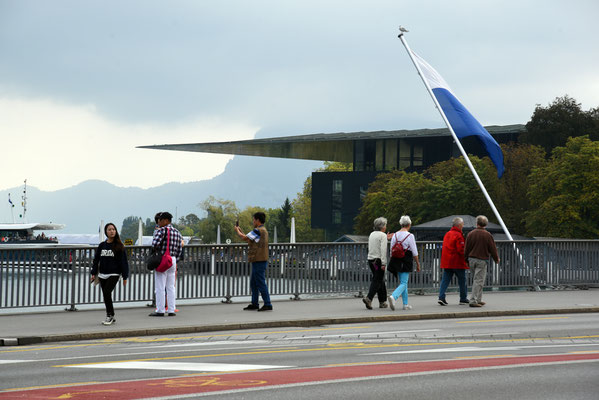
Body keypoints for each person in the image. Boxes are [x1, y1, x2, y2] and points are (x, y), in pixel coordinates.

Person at [90, 223, 129, 325]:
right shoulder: (102, 245)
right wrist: (93, 273)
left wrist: (125, 276)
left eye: (113, 229)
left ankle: (110, 315)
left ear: (116, 231)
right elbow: (96, 260)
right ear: (106, 232)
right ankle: (111, 315)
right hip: (102, 274)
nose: (112, 231)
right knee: (106, 295)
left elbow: (124, 262)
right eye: (109, 229)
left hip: (114, 274)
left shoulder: (119, 246)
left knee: (107, 292)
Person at [234, 211, 273, 311]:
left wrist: (237, 231)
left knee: (260, 282)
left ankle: (267, 304)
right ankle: (254, 303)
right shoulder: (263, 230)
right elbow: (249, 239)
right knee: (254, 283)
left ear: (258, 220)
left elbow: (244, 238)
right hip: (260, 260)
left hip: (258, 260)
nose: (253, 221)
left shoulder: (257, 230)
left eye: (254, 219)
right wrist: (240, 230)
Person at [149, 212, 183, 317]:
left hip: (163, 260)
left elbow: (154, 244)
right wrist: (175, 259)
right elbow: (179, 248)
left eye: (160, 220)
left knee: (160, 286)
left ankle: (160, 310)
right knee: (171, 286)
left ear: (165, 221)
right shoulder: (177, 232)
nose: (158, 222)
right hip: (172, 260)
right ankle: (171, 310)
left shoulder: (162, 231)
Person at [464, 215, 500, 307]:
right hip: (481, 260)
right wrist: (496, 259)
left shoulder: (471, 234)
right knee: (479, 281)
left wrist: (466, 259)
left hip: (471, 259)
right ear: (486, 224)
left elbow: (466, 248)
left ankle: (478, 299)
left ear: (477, 223)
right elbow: (492, 248)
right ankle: (473, 300)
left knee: (477, 280)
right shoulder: (487, 235)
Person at [387, 215, 421, 311]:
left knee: (403, 282)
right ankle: (394, 296)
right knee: (404, 282)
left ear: (401, 224)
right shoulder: (410, 236)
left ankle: (405, 304)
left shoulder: (395, 235)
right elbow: (414, 252)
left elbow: (391, 250)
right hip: (406, 260)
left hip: (396, 260)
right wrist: (418, 264)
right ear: (409, 224)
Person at [438, 217, 469, 306]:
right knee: (462, 280)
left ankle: (441, 297)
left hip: (447, 262)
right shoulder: (459, 235)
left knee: (445, 280)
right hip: (457, 262)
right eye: (462, 224)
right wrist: (466, 257)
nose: (463, 226)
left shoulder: (447, 234)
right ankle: (463, 298)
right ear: (459, 225)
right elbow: (461, 250)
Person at [363, 217, 389, 310]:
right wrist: (383, 263)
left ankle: (382, 301)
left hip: (371, 260)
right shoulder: (383, 236)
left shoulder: (372, 234)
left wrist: (386, 237)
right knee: (377, 280)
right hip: (378, 261)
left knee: (379, 279)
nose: (386, 227)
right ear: (382, 226)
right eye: (385, 225)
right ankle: (369, 298)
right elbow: (383, 250)